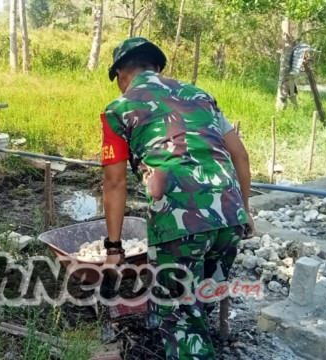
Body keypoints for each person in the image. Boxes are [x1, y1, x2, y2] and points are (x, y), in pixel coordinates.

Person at [100, 38, 254, 360]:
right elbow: (240, 155)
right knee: (198, 300)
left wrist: (114, 249)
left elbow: (114, 183)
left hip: (180, 224)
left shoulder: (119, 109)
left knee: (183, 323)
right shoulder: (200, 96)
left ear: (120, 75)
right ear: (157, 68)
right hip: (230, 217)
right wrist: (246, 211)